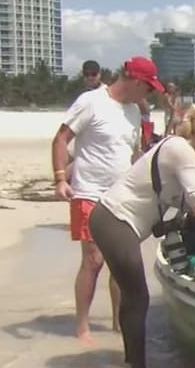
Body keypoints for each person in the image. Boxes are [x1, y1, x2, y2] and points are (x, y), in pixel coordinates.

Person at [89, 102, 195, 368]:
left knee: (132, 296)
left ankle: (130, 362)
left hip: (108, 217)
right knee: (138, 297)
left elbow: (178, 201)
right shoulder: (183, 152)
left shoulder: (174, 145)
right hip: (116, 220)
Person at [50, 56, 163, 343]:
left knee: (121, 262)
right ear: (136, 81)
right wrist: (61, 178)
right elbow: (61, 139)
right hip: (88, 191)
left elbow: (133, 154)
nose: (148, 95)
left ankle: (116, 324)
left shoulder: (134, 112)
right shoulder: (91, 101)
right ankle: (83, 327)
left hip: (122, 197)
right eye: (148, 88)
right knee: (94, 260)